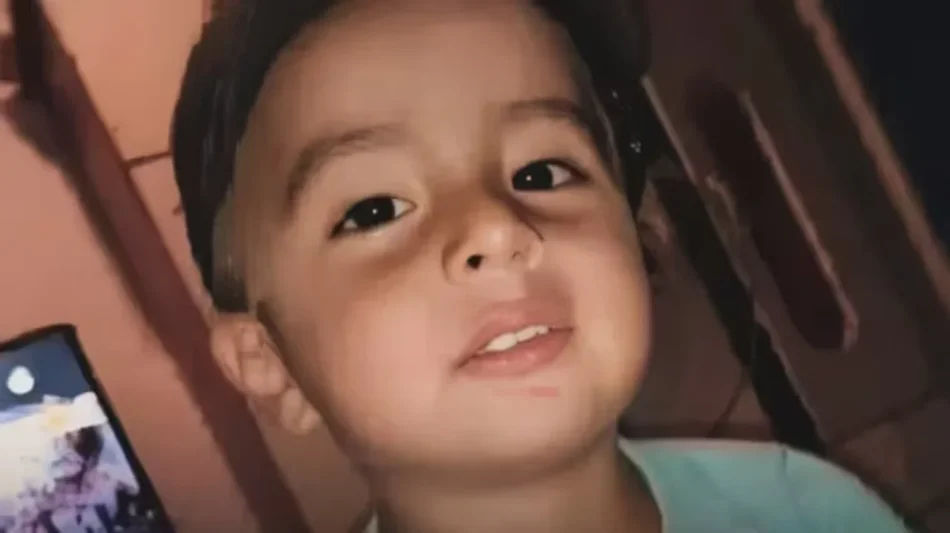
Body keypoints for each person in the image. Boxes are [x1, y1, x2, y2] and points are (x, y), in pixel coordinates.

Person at [171, 1, 913, 531]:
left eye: (542, 172)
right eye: (374, 210)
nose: (497, 228)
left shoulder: (811, 510)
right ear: (270, 363)